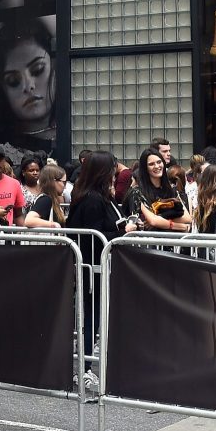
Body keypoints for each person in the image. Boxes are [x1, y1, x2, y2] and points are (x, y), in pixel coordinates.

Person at [65, 150, 129, 386]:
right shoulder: (92, 199)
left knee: (94, 317)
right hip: (92, 267)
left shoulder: (103, 197)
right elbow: (94, 234)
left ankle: (87, 365)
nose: (116, 173)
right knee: (90, 318)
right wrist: (124, 232)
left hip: (102, 266)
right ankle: (83, 368)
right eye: (112, 168)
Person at [0, 19, 57, 154]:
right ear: (1, 88)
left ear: (54, 65)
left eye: (37, 70)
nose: (28, 86)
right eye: (13, 80)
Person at [127, 148, 191, 232]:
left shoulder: (171, 189)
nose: (157, 166)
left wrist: (159, 220)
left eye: (159, 162)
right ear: (145, 168)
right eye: (151, 164)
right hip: (150, 242)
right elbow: (153, 221)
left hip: (172, 241)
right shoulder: (137, 192)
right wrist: (176, 225)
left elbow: (187, 218)